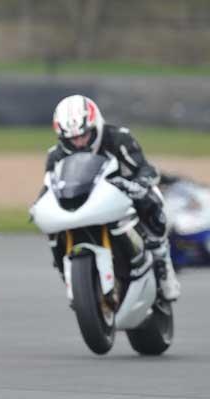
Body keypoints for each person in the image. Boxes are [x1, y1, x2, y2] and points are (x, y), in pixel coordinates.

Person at [44, 95, 180, 301]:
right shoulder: (56, 155)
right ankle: (66, 270)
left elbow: (145, 168)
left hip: (122, 195)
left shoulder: (118, 138)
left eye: (84, 135)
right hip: (85, 202)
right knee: (52, 225)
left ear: (95, 126)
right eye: (72, 138)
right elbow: (50, 186)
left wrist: (139, 184)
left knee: (153, 196)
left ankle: (162, 261)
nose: (79, 142)